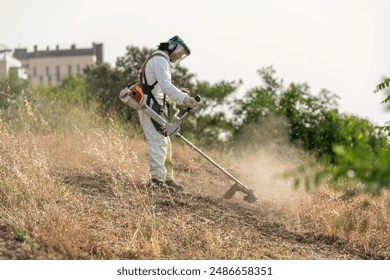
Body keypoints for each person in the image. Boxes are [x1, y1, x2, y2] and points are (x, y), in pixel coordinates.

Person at [138, 35, 198, 192]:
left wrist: (179, 93)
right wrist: (185, 99)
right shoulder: (160, 60)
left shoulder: (161, 60)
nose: (180, 56)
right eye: (179, 52)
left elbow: (161, 88)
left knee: (166, 144)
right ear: (171, 47)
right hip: (150, 105)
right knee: (158, 142)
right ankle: (157, 181)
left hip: (157, 105)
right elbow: (165, 85)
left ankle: (167, 179)